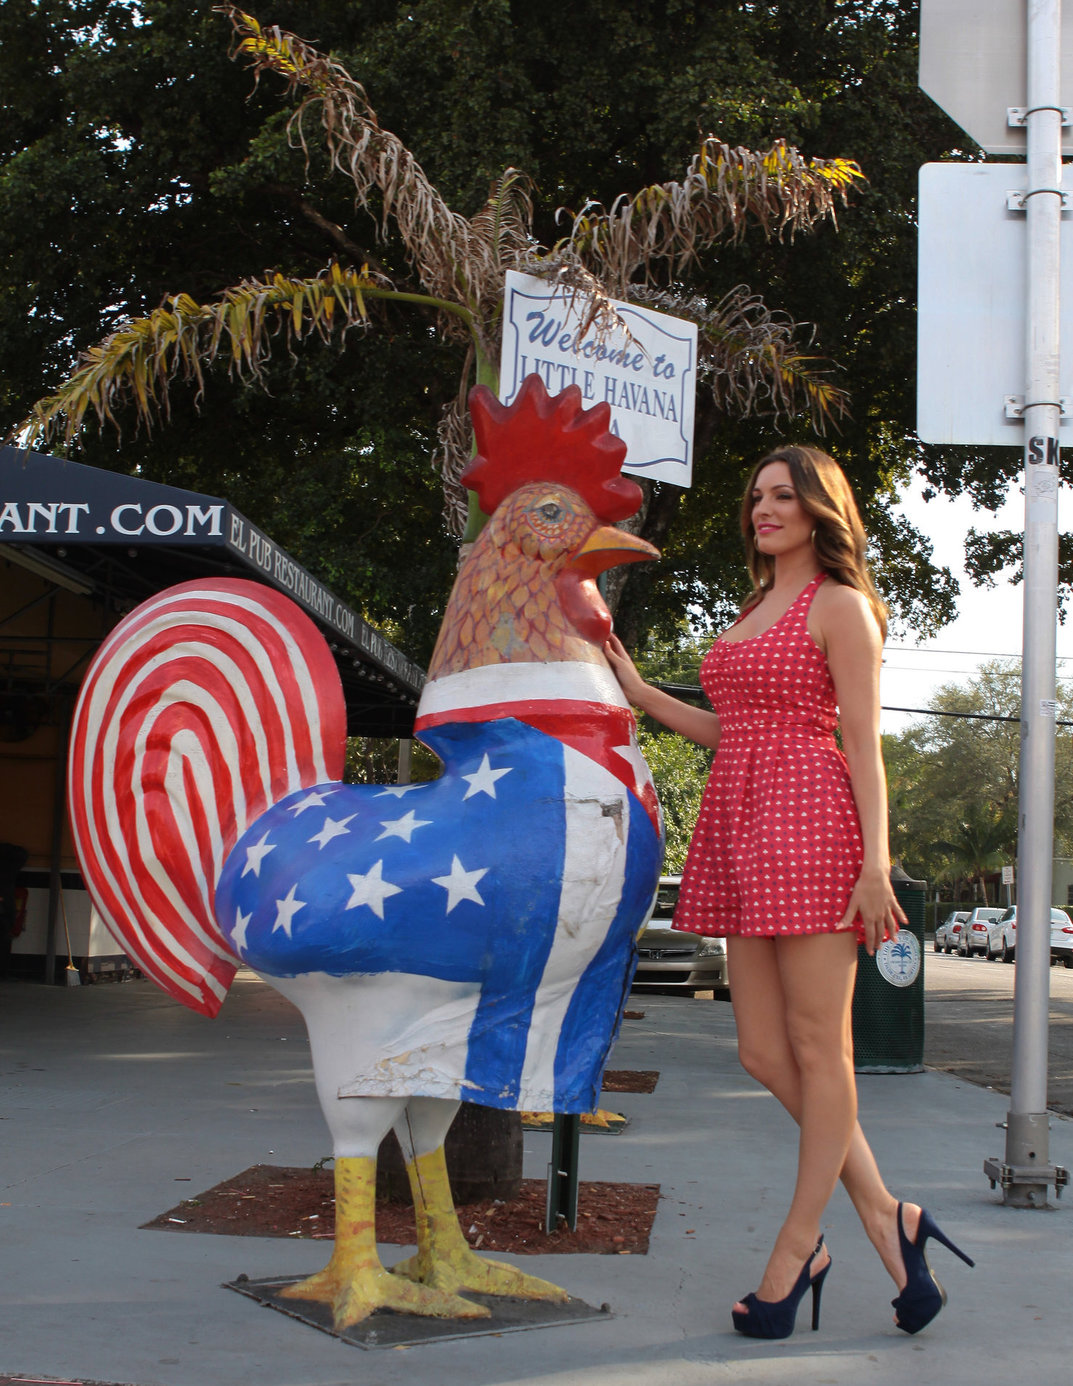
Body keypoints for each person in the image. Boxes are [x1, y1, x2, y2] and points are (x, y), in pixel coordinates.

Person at [604, 445, 973, 1339]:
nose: (762, 509)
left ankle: (798, 1246)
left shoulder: (841, 606)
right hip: (740, 828)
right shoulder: (753, 606)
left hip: (811, 828)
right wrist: (639, 689)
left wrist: (874, 865)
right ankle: (893, 1221)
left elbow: (862, 744)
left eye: (782, 496)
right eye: (756, 497)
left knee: (819, 1048)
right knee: (763, 1053)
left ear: (819, 510)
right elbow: (727, 730)